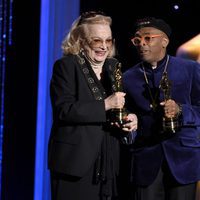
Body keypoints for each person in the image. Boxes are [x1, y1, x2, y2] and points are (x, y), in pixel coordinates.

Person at [48, 11, 138, 200]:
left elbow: (117, 104)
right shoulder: (66, 66)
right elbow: (64, 110)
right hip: (74, 164)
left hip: (109, 164)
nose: (104, 47)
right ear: (80, 40)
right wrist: (104, 105)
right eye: (97, 40)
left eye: (108, 40)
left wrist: (129, 118)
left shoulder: (113, 67)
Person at [122, 17, 200, 200]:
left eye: (148, 38)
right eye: (137, 40)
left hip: (183, 158)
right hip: (146, 158)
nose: (141, 44)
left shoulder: (190, 69)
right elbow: (128, 115)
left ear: (165, 41)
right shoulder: (127, 77)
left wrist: (180, 110)